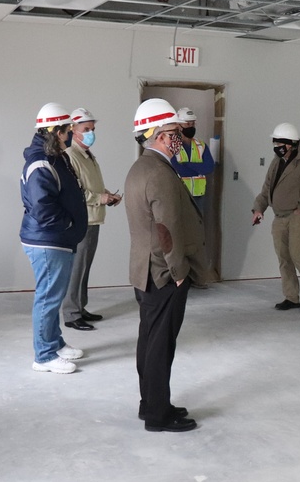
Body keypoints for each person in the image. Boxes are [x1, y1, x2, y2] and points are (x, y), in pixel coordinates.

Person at [125, 99, 210, 432]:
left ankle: (152, 403)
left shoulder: (140, 168)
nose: (180, 139)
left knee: (149, 341)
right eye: (175, 132)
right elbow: (167, 229)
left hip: (144, 270)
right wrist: (178, 273)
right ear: (159, 136)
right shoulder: (159, 173)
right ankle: (158, 416)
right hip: (163, 274)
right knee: (161, 345)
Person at [20, 103, 89, 373]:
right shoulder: (40, 162)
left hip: (57, 239)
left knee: (54, 296)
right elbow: (42, 207)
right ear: (57, 132)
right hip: (48, 240)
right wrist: (68, 224)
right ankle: (44, 356)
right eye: (69, 129)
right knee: (48, 298)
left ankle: (55, 342)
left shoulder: (53, 155)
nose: (72, 133)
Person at [252, 123, 300, 313]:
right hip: (279, 217)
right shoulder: (276, 162)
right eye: (275, 142)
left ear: (292, 144)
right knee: (284, 258)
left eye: (280, 143)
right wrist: (258, 209)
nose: (276, 146)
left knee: (297, 255)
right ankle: (291, 297)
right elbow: (266, 189)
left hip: (297, 217)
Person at [62, 107, 122, 331]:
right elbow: (74, 192)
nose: (90, 133)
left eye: (92, 129)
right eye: (86, 129)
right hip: (82, 221)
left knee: (85, 267)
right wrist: (100, 198)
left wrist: (107, 195)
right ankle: (71, 313)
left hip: (93, 218)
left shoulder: (87, 154)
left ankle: (80, 307)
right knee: (77, 268)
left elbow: (91, 184)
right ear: (73, 130)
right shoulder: (70, 155)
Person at [172, 106, 215, 212]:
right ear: (179, 126)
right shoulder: (172, 145)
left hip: (198, 197)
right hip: (179, 195)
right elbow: (177, 169)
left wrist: (186, 164)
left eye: (193, 123)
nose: (191, 126)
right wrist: (198, 169)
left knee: (196, 227)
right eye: (187, 124)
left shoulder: (201, 145)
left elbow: (209, 167)